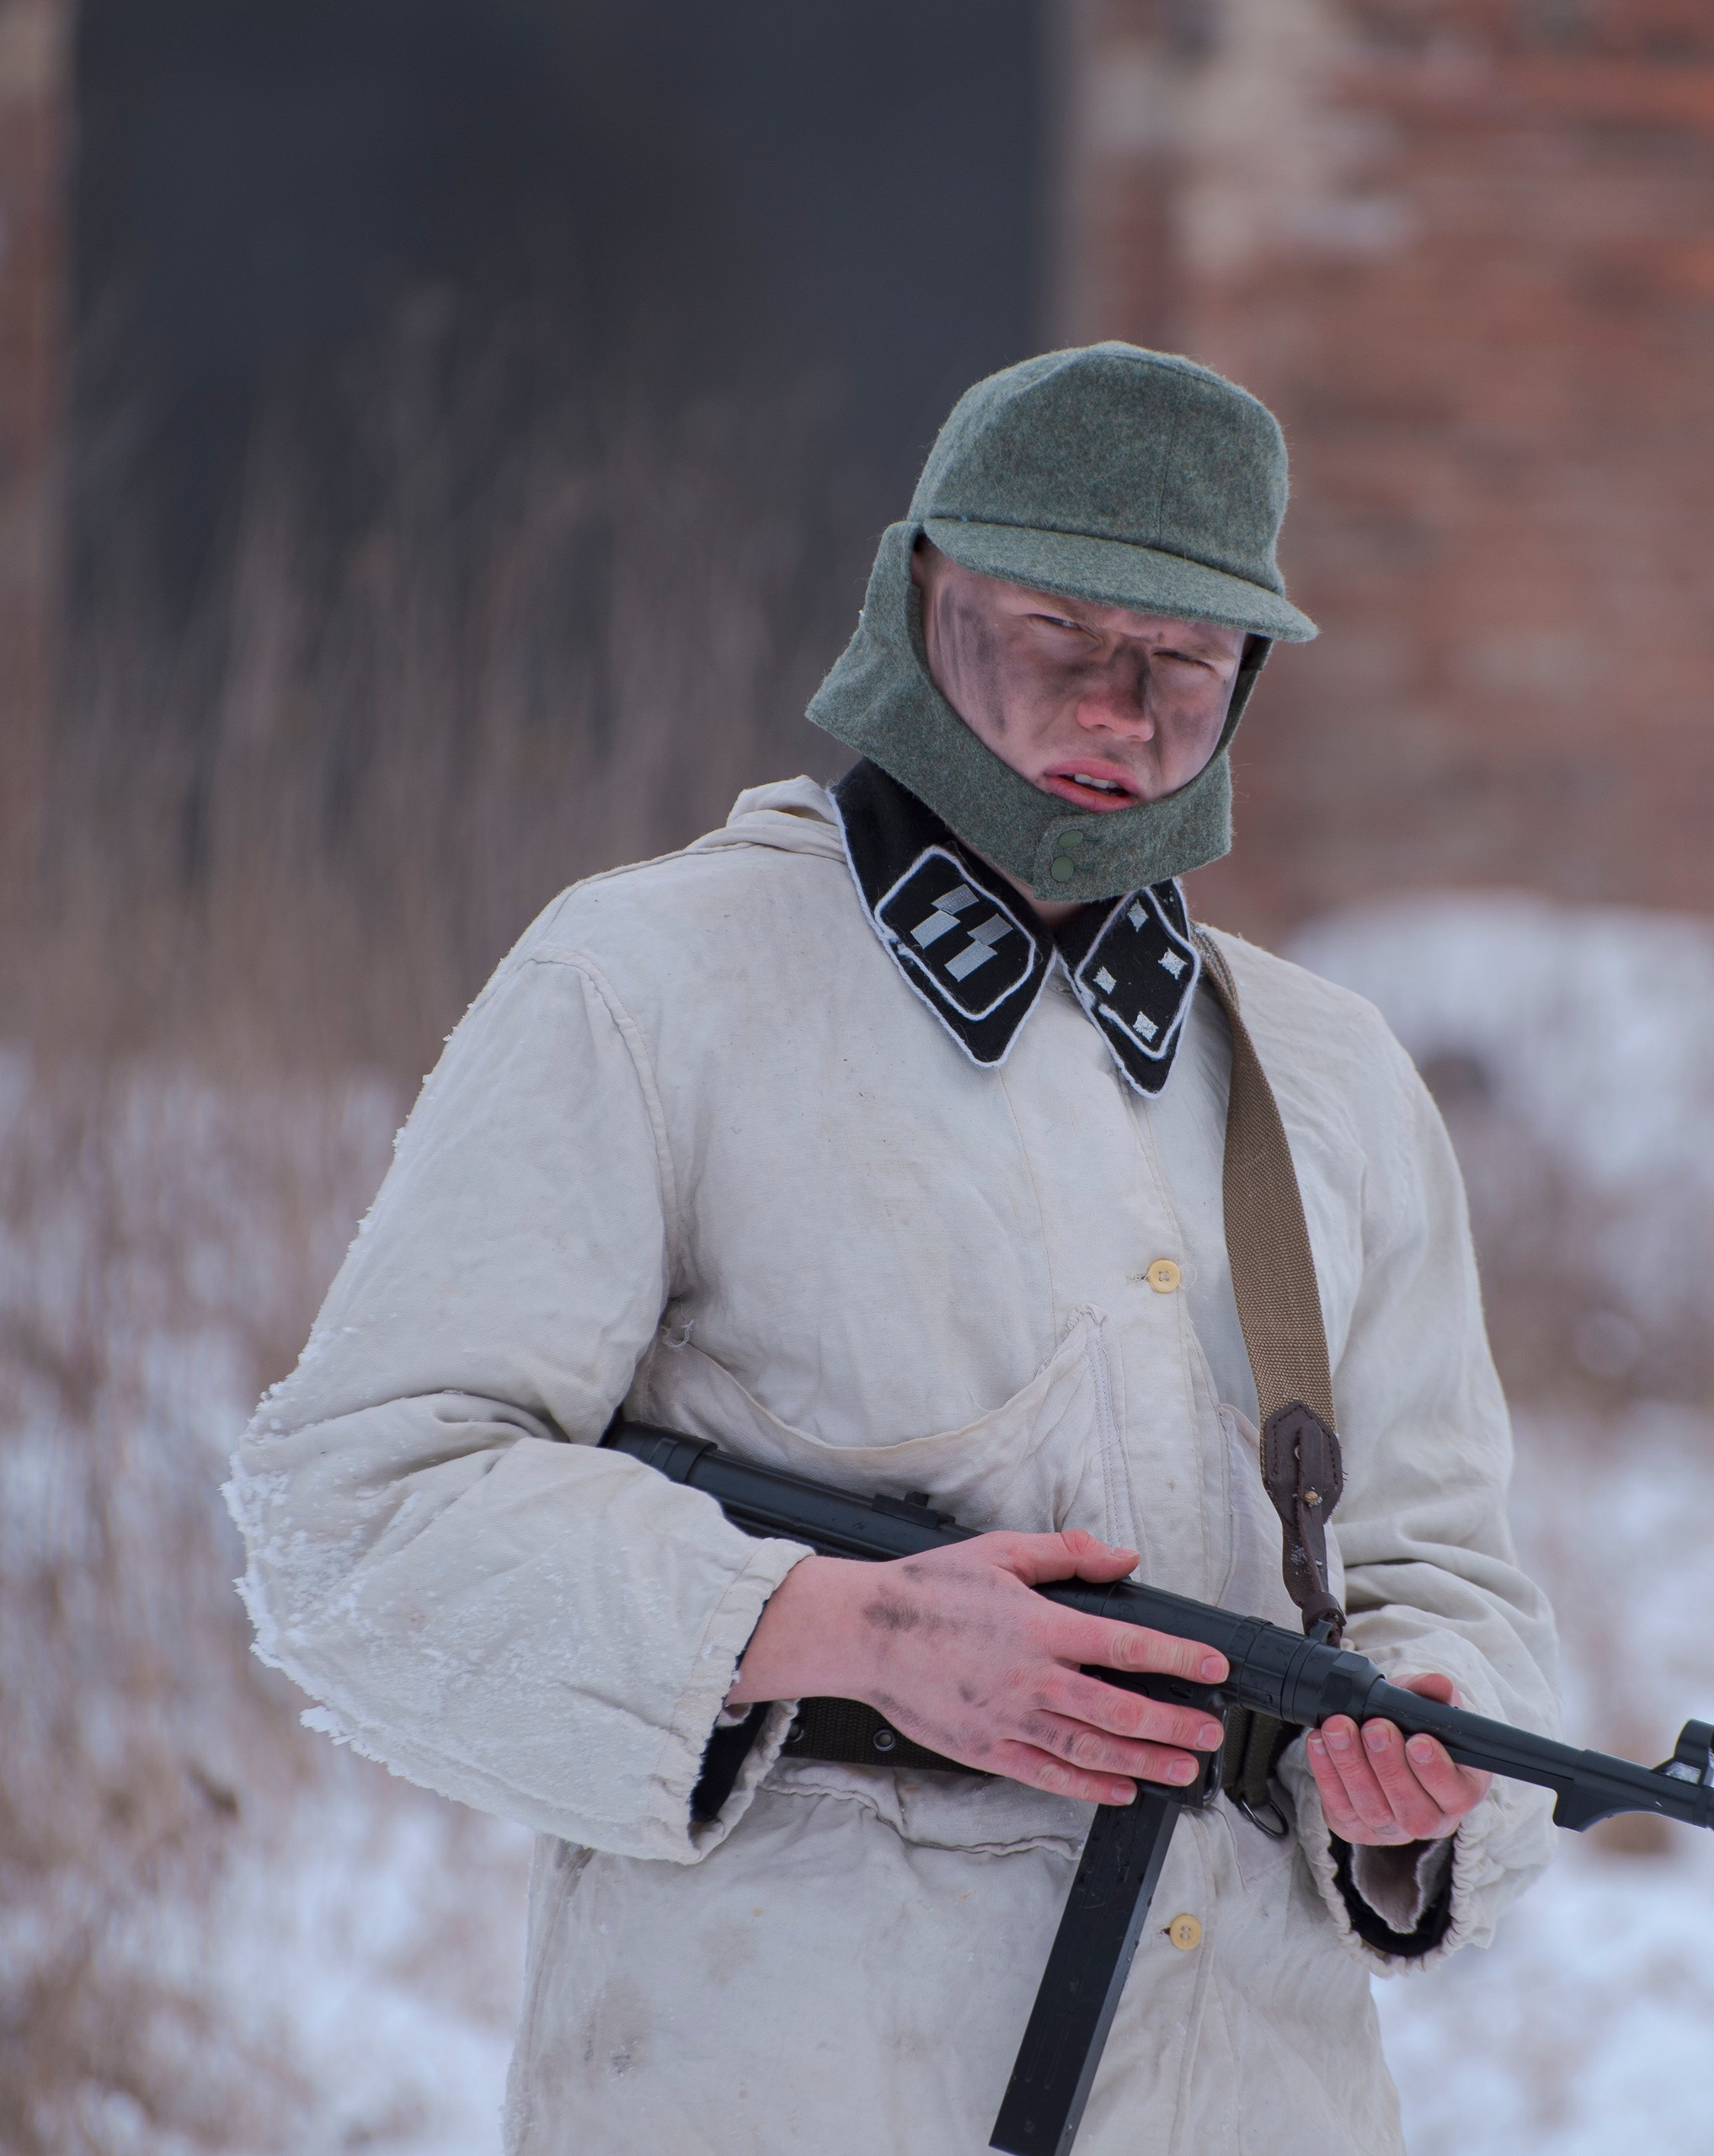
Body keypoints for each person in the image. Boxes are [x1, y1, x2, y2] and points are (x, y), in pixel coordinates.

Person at [227, 342, 1560, 2154]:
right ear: (918, 602)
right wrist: (836, 1625)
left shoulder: (1326, 1077)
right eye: (1056, 637)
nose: (1117, 712)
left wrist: (1418, 1775)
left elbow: (1446, 1571)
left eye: (1180, 663)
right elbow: (351, 1517)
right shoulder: (651, 986)